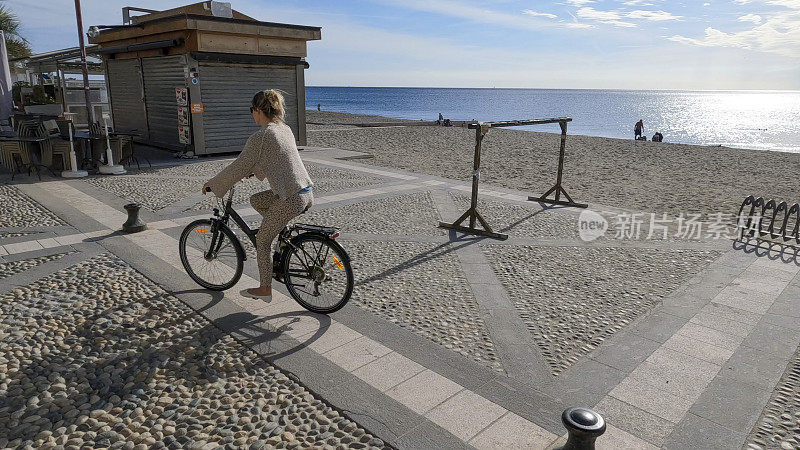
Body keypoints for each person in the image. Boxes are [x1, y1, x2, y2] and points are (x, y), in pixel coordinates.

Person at [203, 89, 313, 301]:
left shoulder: (261, 137)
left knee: (262, 241)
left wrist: (213, 185)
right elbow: (276, 157)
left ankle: (265, 289)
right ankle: (280, 234)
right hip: (305, 191)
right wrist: (252, 172)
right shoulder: (284, 129)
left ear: (258, 110)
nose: (251, 115)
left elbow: (237, 166)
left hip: (290, 198)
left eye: (251, 110)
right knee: (257, 200)